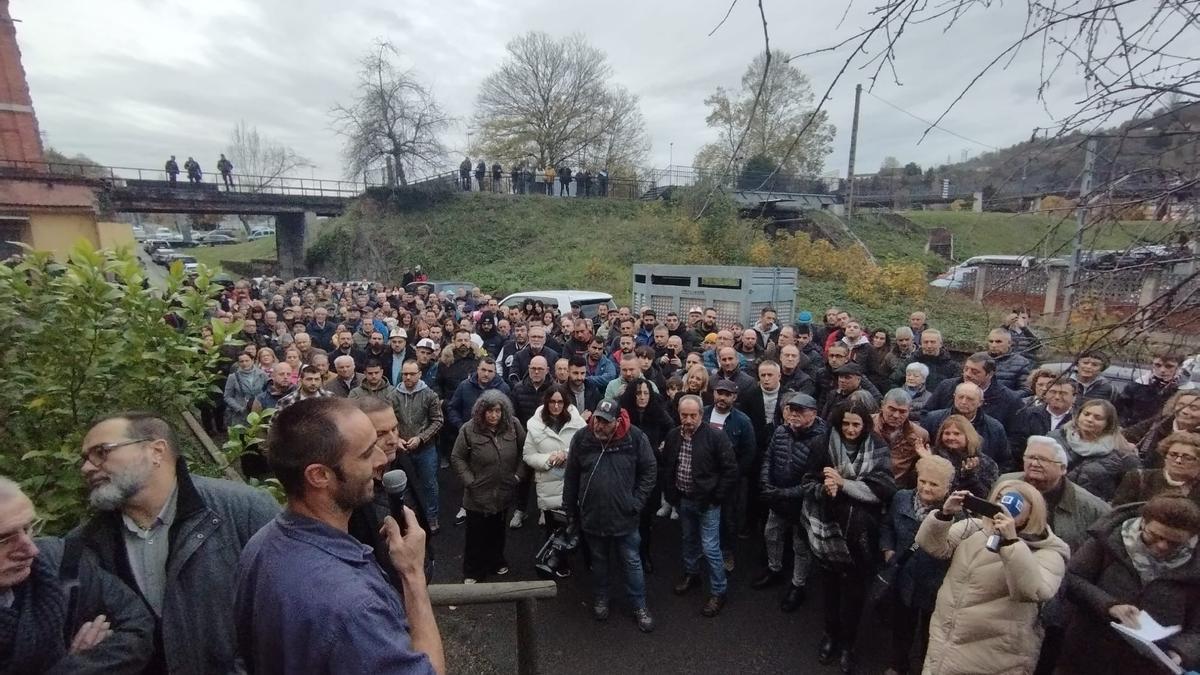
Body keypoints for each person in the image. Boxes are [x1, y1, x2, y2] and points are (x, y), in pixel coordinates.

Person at [234, 398, 444, 674]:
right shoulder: (354, 607)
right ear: (320, 475)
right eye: (367, 453)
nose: (382, 460)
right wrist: (413, 575)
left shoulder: (259, 546)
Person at [76, 411, 280, 674]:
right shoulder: (85, 543)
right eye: (85, 458)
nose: (87, 467)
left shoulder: (243, 509)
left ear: (156, 451)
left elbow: (289, 613)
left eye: (101, 452)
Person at [0, 476, 155, 674]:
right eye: (4, 539)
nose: (31, 550)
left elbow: (137, 627)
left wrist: (80, 666)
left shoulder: (62, 563)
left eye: (28, 528)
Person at [917, 480, 1070, 675]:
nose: (1003, 507)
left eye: (1014, 503)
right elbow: (933, 546)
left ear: (1033, 512)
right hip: (946, 641)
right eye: (998, 499)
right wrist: (944, 515)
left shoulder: (1048, 552)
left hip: (995, 655)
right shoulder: (976, 529)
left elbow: (1033, 591)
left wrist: (1011, 542)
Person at [801, 402, 896, 672]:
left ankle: (848, 644)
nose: (850, 429)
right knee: (830, 589)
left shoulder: (877, 445)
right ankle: (830, 634)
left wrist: (844, 484)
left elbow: (884, 488)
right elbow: (807, 482)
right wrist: (825, 488)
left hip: (861, 533)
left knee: (854, 593)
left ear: (865, 425)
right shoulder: (822, 445)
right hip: (827, 528)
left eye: (856, 424)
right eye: (846, 424)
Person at [1063, 496, 1200, 675]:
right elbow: (1073, 578)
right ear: (1143, 523)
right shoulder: (1110, 540)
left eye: (1175, 543)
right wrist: (1109, 606)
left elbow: (1196, 630)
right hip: (1087, 651)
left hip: (1149, 664)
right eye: (1155, 536)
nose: (1162, 546)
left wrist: (1181, 652)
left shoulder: (1195, 566)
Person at [562, 399, 657, 632]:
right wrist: (569, 509)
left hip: (625, 517)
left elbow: (649, 470)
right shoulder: (582, 438)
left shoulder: (635, 438)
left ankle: (639, 606)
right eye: (597, 420)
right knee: (599, 562)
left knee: (632, 562)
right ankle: (601, 598)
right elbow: (572, 475)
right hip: (593, 516)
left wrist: (636, 502)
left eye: (605, 422)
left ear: (617, 422)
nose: (599, 426)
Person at [661, 395, 738, 617]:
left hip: (707, 503)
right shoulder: (674, 435)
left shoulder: (715, 436)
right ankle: (692, 574)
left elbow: (730, 470)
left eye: (693, 415)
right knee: (688, 539)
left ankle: (719, 591)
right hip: (684, 499)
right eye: (684, 415)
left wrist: (716, 498)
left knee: (711, 547)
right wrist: (672, 495)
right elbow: (668, 466)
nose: (688, 419)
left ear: (701, 415)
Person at [880, 455, 955, 675]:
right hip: (904, 577)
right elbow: (887, 526)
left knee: (930, 634)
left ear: (947, 487)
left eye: (934, 484)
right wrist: (887, 549)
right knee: (902, 627)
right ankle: (898, 665)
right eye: (923, 481)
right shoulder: (901, 498)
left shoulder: (956, 514)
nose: (926, 488)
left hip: (936, 583)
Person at [753, 392, 826, 612]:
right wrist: (765, 481)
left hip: (803, 504)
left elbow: (816, 480)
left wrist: (783, 493)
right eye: (791, 410)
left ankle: (798, 585)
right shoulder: (781, 431)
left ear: (813, 414)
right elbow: (768, 457)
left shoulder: (822, 440)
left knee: (800, 545)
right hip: (778, 499)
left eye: (800, 411)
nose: (794, 415)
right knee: (771, 534)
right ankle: (774, 570)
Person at [451, 390, 526, 583]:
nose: (494, 415)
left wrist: (518, 476)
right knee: (475, 535)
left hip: (503, 492)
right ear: (481, 411)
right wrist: (470, 481)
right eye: (489, 411)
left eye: (498, 411)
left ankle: (496, 561)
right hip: (477, 495)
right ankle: (473, 571)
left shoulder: (514, 426)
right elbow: (457, 457)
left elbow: (525, 452)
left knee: (498, 531)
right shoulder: (469, 429)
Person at [618, 378, 676, 572]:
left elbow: (672, 430)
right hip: (626, 469)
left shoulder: (657, 411)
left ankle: (644, 553)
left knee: (645, 517)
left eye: (645, 393)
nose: (642, 397)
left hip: (650, 470)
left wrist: (662, 447)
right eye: (638, 393)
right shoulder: (623, 412)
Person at [1049, 398, 1139, 502]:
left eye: (1097, 418)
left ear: (1108, 423)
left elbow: (1129, 491)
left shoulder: (1122, 453)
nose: (1090, 419)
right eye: (1086, 414)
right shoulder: (1055, 438)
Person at [394, 360, 445, 532]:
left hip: (425, 448)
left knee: (429, 484)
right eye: (405, 374)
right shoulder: (394, 395)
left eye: (411, 374)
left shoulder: (430, 395)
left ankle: (432, 517)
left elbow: (438, 421)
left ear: (419, 374)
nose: (408, 377)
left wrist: (421, 438)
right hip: (402, 449)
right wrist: (397, 438)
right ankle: (411, 519)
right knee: (405, 486)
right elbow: (391, 422)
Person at [1114, 431, 1200, 507]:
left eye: (1187, 457)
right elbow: (1118, 514)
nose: (1178, 461)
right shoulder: (1138, 478)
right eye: (1173, 454)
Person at [925, 414, 1000, 499]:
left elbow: (984, 496)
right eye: (947, 433)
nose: (951, 437)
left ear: (968, 436)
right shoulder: (933, 454)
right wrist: (927, 461)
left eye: (957, 434)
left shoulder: (986, 463)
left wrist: (969, 476)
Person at [1126, 390, 1200, 467]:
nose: (1184, 411)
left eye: (1194, 408)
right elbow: (1127, 435)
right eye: (1181, 405)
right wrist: (1127, 445)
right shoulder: (1160, 422)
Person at [875, 388, 930, 490]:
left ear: (910, 410)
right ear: (882, 405)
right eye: (892, 409)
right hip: (866, 483)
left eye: (902, 411)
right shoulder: (867, 424)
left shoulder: (920, 435)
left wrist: (927, 459)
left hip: (896, 489)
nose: (896, 415)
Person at [1117, 352, 1185, 426]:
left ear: (1179, 367)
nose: (1162, 370)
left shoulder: (1185, 390)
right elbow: (1120, 411)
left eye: (1169, 366)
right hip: (1135, 431)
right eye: (1158, 365)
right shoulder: (1137, 386)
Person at [224, 351, 267, 429]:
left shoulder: (262, 375)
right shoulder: (233, 377)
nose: (244, 363)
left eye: (247, 361)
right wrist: (238, 408)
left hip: (258, 411)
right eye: (241, 361)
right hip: (241, 414)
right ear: (238, 363)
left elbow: (266, 391)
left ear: (252, 361)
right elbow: (227, 396)